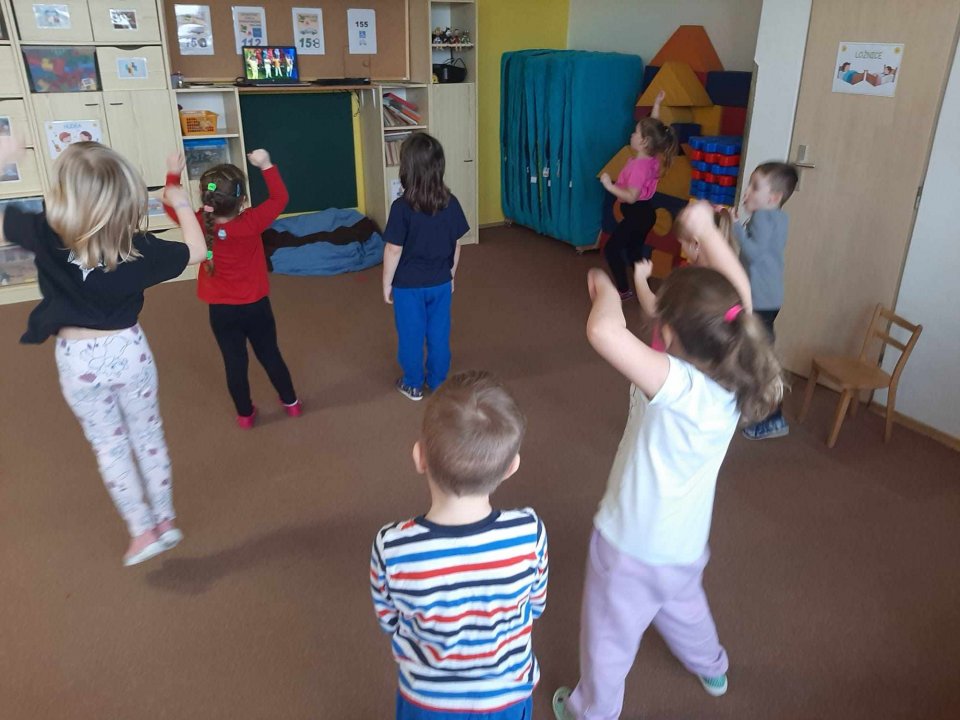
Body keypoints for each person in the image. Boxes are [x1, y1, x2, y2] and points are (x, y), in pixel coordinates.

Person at [552, 202, 784, 720]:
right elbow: (741, 297)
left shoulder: (677, 385)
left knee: (607, 638)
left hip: (629, 548)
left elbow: (604, 334)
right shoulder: (735, 374)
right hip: (684, 544)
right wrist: (708, 234)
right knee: (684, 606)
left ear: (671, 335)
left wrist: (607, 289)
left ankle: (591, 710)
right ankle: (712, 664)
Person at [0, 138, 206, 566]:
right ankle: (165, 520)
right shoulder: (141, 247)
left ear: (62, 196)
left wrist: (4, 159)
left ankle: (142, 532)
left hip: (78, 362)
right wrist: (182, 203)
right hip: (129, 351)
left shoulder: (44, 234)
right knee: (148, 437)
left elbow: (6, 218)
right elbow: (198, 251)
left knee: (110, 447)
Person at [370, 370, 548, 718]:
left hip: (426, 702)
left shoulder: (392, 547)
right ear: (511, 468)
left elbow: (389, 620)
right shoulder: (529, 532)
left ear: (419, 457)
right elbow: (536, 604)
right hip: (507, 697)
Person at [164, 148, 301, 428]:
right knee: (270, 354)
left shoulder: (198, 222)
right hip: (256, 306)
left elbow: (171, 204)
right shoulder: (251, 221)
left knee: (234, 362)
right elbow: (280, 198)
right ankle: (291, 404)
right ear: (243, 200)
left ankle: (245, 415)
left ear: (204, 197)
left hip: (222, 311)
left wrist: (173, 174)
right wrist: (266, 164)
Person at [382, 132, 468, 401]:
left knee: (411, 335)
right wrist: (450, 275)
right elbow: (457, 245)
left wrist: (386, 283)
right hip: (440, 283)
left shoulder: (401, 207)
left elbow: (393, 249)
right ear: (439, 167)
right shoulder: (451, 203)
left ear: (406, 168)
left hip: (408, 286)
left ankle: (413, 384)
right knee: (439, 334)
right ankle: (439, 381)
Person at [734, 162, 798, 440]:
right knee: (756, 353)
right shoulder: (779, 218)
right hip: (769, 298)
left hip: (760, 300)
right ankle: (754, 407)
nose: (747, 191)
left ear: (773, 198)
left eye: (754, 187)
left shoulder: (762, 218)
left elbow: (754, 253)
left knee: (761, 358)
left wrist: (736, 227)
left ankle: (773, 418)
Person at [636, 204, 749, 351]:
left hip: (677, 354)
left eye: (681, 243)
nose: (681, 248)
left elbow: (655, 308)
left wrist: (640, 279)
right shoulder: (726, 281)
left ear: (695, 244)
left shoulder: (691, 281)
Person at [601, 90, 678, 300]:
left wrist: (609, 185)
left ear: (644, 142)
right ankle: (645, 288)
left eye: (636, 133)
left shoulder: (639, 167)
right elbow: (654, 129)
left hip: (637, 213)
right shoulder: (652, 157)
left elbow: (631, 196)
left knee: (612, 250)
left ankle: (623, 290)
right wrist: (657, 104)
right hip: (645, 214)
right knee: (634, 251)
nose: (632, 135)